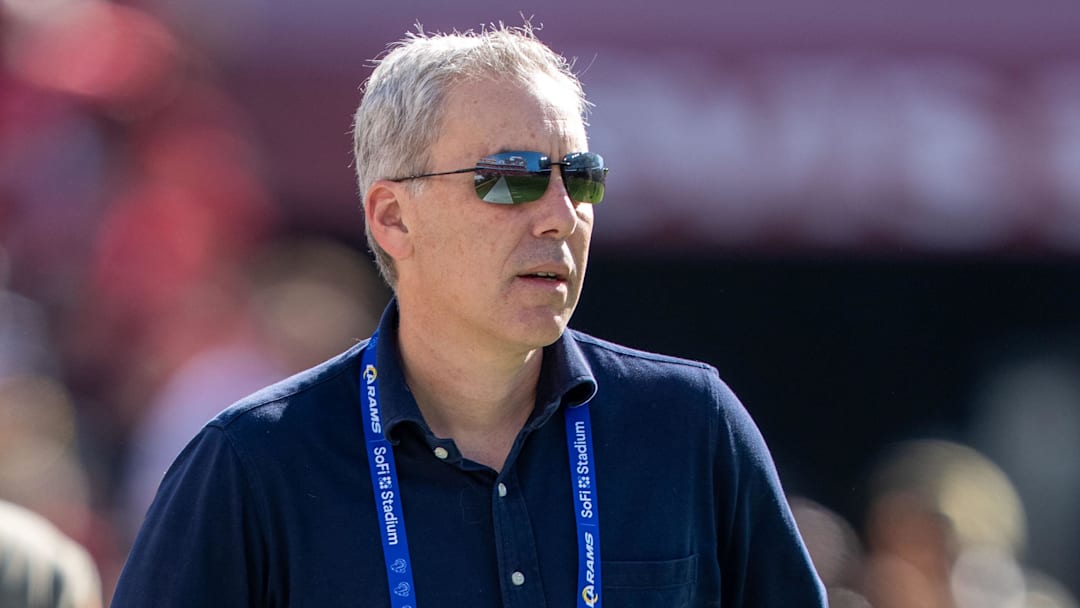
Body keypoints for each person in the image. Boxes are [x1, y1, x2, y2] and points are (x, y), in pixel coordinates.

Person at [111, 24, 825, 607]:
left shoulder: (688, 424)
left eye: (579, 177)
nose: (559, 216)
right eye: (511, 177)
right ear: (393, 219)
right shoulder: (252, 464)